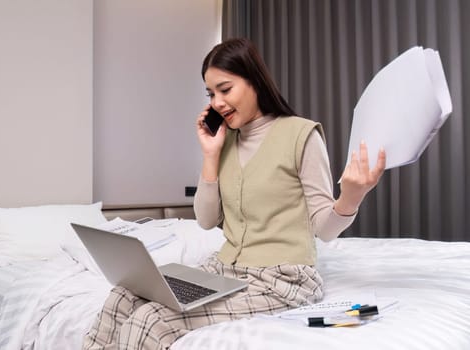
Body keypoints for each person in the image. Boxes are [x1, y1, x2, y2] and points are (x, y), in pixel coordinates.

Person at [83, 37, 386, 350]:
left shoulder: (301, 134)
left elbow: (324, 230)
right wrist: (210, 154)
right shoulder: (224, 141)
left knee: (151, 320)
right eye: (211, 93)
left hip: (281, 280)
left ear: (255, 82)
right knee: (123, 296)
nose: (217, 102)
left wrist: (350, 197)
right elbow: (205, 219)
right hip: (224, 270)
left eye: (225, 90)